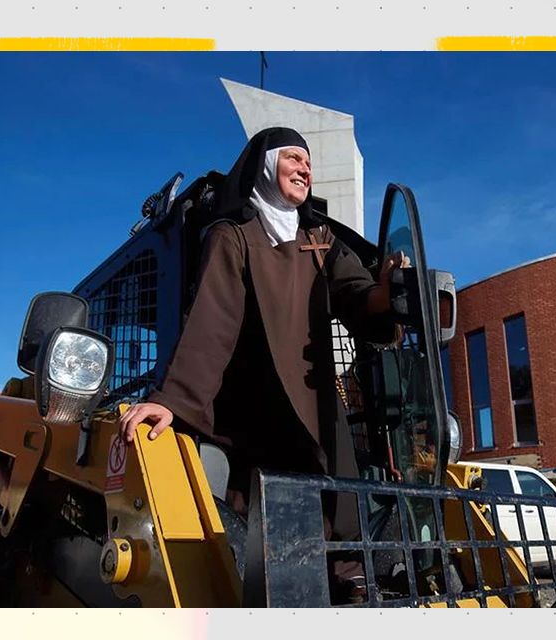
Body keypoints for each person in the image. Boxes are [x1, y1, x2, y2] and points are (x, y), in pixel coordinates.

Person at [118, 126, 401, 533]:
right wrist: (173, 401)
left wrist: (385, 295)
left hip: (318, 409)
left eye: (309, 163)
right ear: (265, 166)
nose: (305, 169)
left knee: (342, 524)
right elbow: (212, 324)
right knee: (266, 531)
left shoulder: (320, 239)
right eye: (294, 158)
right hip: (255, 409)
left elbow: (356, 292)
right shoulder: (232, 237)